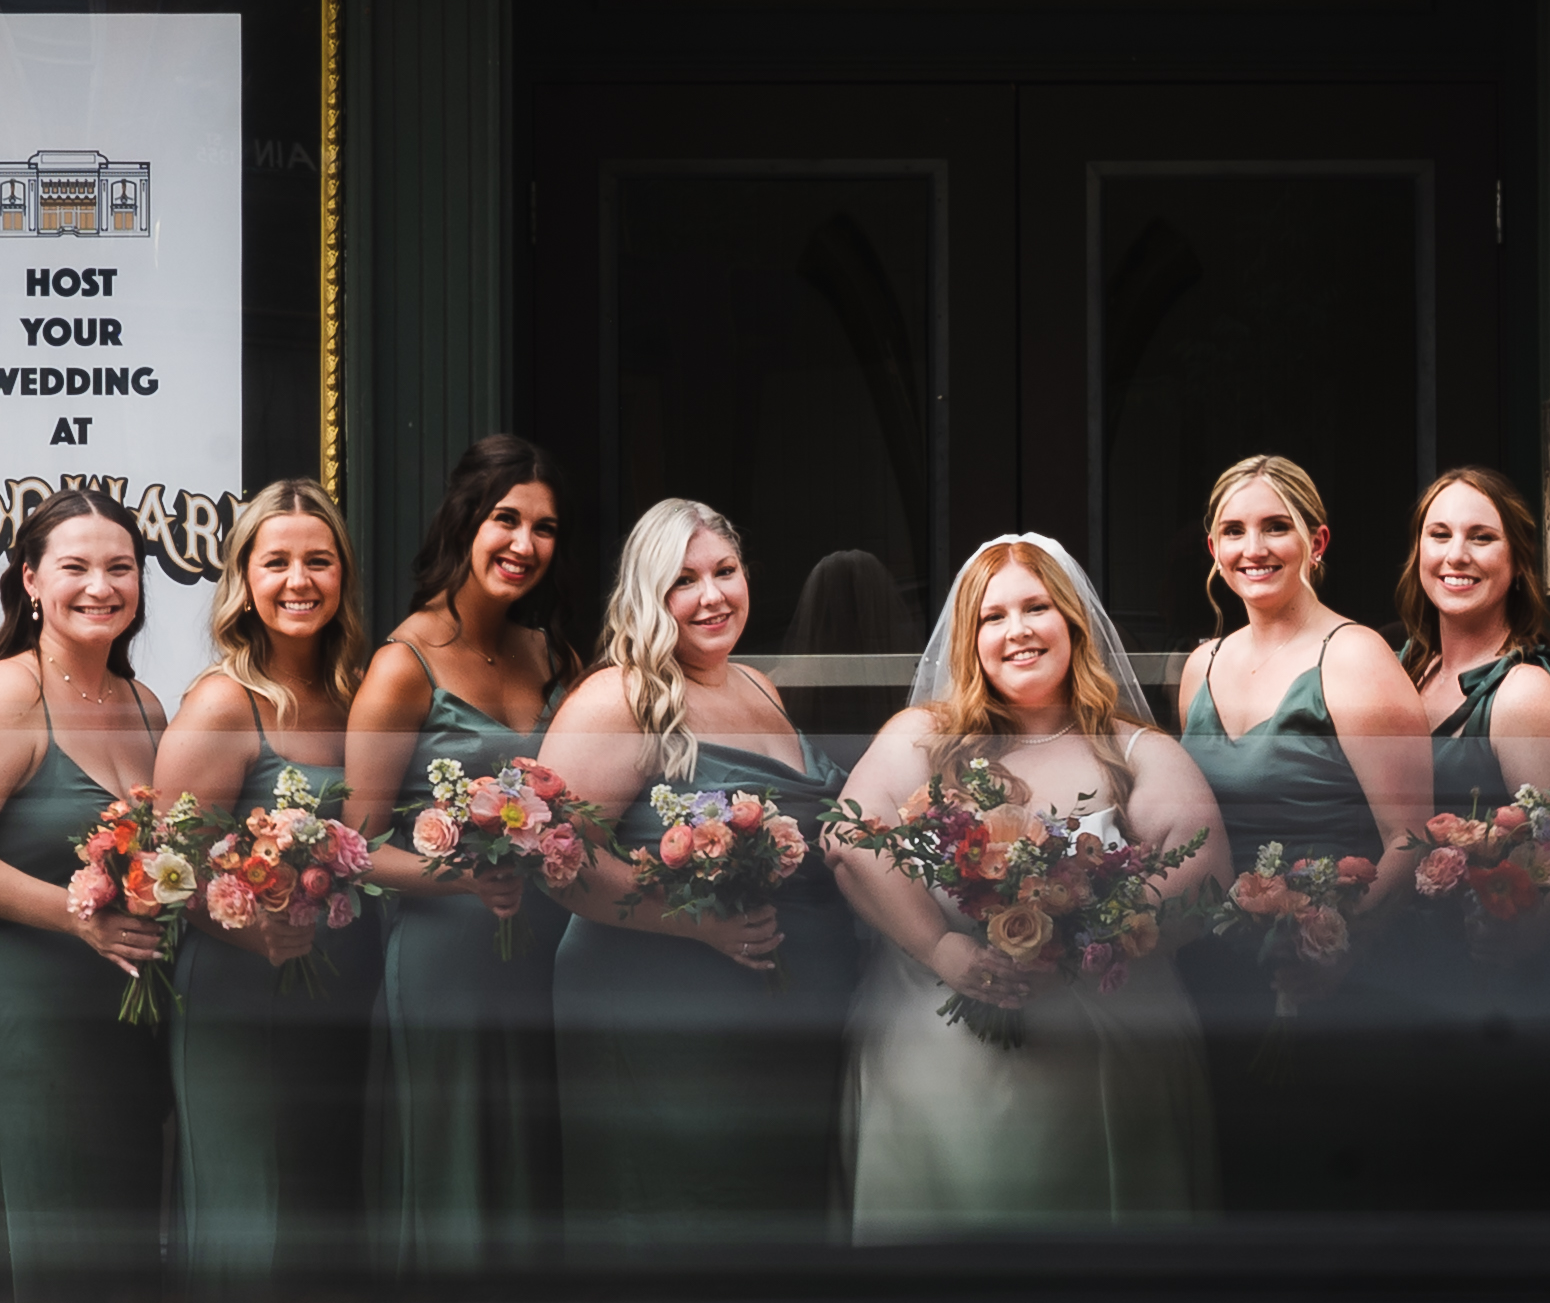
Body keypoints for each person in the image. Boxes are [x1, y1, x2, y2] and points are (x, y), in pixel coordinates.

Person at [834, 533, 1223, 1235]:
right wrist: (942, 950)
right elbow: (847, 839)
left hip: (1106, 1067)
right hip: (932, 1075)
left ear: (1071, 622)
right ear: (968, 637)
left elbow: (1205, 869)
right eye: (992, 616)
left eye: (1036, 607)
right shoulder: (923, 738)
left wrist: (1081, 950)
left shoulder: (1132, 749)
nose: (1017, 631)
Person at [541, 497, 855, 1246]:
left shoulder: (757, 686)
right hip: (668, 1022)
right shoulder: (622, 700)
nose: (713, 595)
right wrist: (704, 927)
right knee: (685, 1215)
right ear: (649, 596)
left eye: (726, 571)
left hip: (782, 1032)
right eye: (685, 581)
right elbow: (558, 858)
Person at [0, 488, 174, 1300]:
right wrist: (79, 918)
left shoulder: (146, 705)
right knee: (45, 1261)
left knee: (119, 1255)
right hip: (25, 1022)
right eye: (75, 567)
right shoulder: (6, 693)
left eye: (120, 568)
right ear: (30, 581)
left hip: (127, 1026)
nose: (100, 586)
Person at [1163, 452, 1434, 1215]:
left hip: (1329, 978)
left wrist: (1339, 951)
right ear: (1213, 550)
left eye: (1276, 526)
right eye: (1235, 530)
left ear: (1316, 542)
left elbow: (1411, 838)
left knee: (1319, 1191)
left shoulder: (1352, 658)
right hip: (1220, 975)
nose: (1255, 547)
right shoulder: (1202, 665)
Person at [348, 436, 571, 1273]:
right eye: (506, 518)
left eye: (545, 528)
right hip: (445, 955)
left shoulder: (552, 653)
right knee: (455, 1170)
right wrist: (462, 874)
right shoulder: (403, 666)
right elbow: (352, 848)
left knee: (532, 1155)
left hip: (541, 950)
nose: (524, 544)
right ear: (465, 519)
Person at [156, 478, 371, 1286]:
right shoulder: (222, 705)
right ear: (243, 580)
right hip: (242, 993)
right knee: (256, 1216)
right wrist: (254, 928)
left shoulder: (356, 695)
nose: (298, 581)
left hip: (344, 990)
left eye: (319, 561)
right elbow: (165, 867)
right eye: (275, 562)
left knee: (327, 1208)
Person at [1367, 463, 1550, 1011]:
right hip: (1394, 977)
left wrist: (1509, 949)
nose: (1456, 555)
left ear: (1517, 562)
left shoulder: (1522, 693)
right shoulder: (1399, 672)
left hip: (1485, 995)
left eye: (1482, 537)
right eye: (1439, 535)